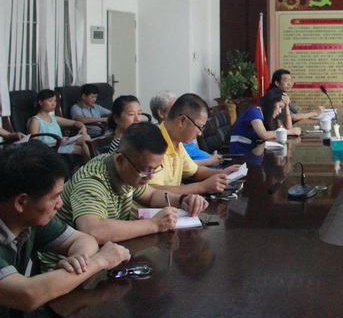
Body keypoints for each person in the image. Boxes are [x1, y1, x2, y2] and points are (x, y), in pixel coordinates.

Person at [40, 122, 208, 269]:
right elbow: (93, 229)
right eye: (145, 170)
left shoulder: (129, 171)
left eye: (155, 169)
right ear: (120, 160)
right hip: (67, 265)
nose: (150, 177)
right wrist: (153, 224)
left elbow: (150, 195)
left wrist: (182, 199)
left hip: (105, 255)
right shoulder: (93, 181)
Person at [0, 142, 130, 316]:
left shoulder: (28, 219)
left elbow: (84, 239)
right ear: (21, 202)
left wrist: (76, 262)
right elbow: (28, 295)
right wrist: (100, 261)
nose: (59, 204)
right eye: (54, 197)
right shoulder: (28, 217)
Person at [146, 94, 241, 195]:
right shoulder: (153, 144)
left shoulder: (177, 142)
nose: (200, 133)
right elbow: (153, 190)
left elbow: (194, 171)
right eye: (199, 127)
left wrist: (223, 173)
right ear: (182, 121)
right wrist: (203, 187)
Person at [150, 90, 221, 167]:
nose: (178, 109)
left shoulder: (181, 139)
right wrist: (210, 161)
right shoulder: (168, 138)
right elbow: (184, 166)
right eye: (174, 107)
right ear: (161, 113)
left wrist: (212, 157)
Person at [230, 91, 300, 160]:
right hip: (240, 156)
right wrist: (288, 132)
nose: (280, 111)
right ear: (272, 103)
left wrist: (287, 107)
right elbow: (264, 135)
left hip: (251, 152)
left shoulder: (264, 114)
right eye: (280, 106)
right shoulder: (254, 111)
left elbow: (289, 128)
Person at [27, 89, 90, 161]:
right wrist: (57, 142)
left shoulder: (53, 118)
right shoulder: (35, 120)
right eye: (50, 101)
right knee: (82, 150)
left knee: (86, 137)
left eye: (55, 101)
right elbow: (35, 144)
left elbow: (75, 123)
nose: (54, 104)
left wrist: (83, 127)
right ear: (41, 102)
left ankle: (92, 165)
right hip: (50, 148)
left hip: (61, 144)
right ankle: (92, 165)